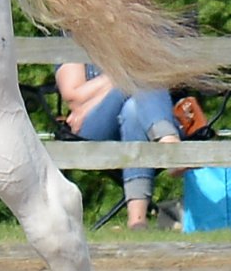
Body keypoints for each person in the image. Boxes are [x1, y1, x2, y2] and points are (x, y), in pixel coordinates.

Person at [55, 61, 183, 229]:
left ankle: (137, 221)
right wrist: (127, 74)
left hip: (142, 114)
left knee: (132, 110)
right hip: (95, 125)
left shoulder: (142, 33)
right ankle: (169, 146)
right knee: (142, 75)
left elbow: (172, 76)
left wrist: (111, 84)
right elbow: (74, 96)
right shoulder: (76, 36)